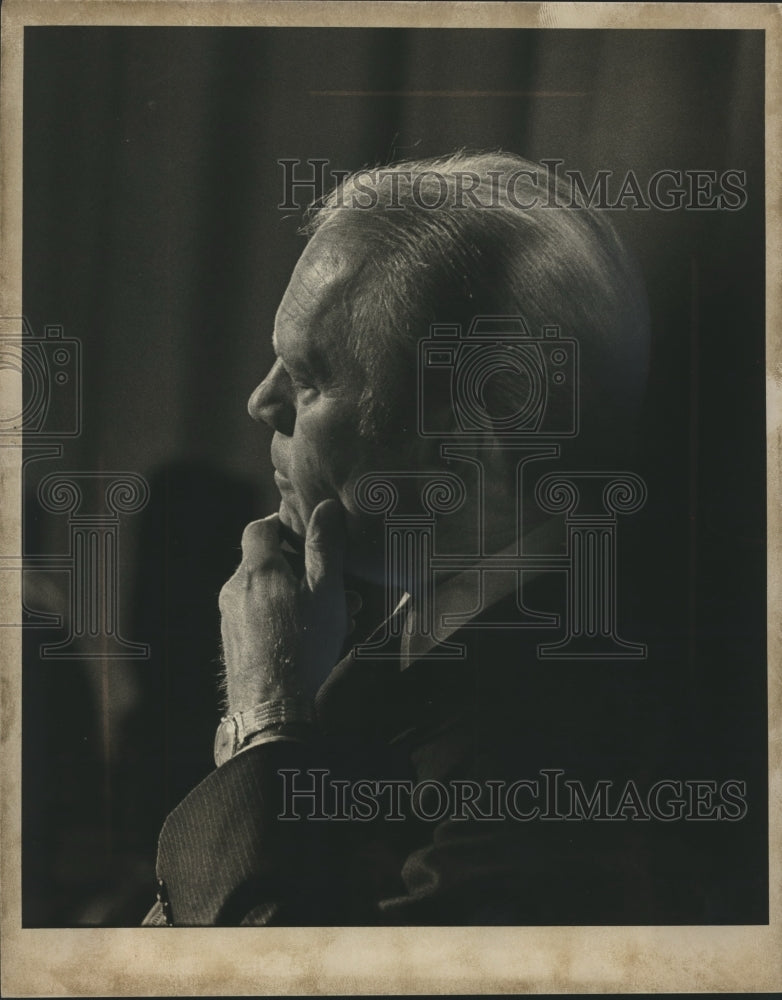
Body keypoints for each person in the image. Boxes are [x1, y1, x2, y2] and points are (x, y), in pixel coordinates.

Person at [143, 151, 652, 926]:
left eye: (309, 376)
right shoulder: (400, 644)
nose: (260, 401)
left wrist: (267, 716)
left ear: (473, 433)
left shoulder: (564, 748)